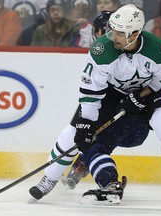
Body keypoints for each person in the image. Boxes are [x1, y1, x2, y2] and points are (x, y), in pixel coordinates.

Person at [29, 4, 161, 207]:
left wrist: (140, 96)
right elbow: (92, 93)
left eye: (120, 33)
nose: (113, 36)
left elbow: (160, 81)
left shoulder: (160, 51)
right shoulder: (101, 50)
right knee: (72, 133)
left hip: (147, 92)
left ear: (136, 33)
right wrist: (85, 123)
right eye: (113, 30)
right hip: (112, 95)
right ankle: (48, 179)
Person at [61, 10, 114, 189]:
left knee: (99, 140)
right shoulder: (97, 52)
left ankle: (81, 167)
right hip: (97, 101)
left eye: (102, 30)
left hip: (112, 102)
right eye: (98, 30)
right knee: (84, 133)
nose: (99, 34)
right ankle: (76, 166)